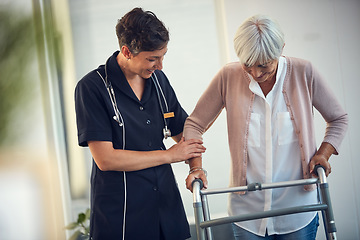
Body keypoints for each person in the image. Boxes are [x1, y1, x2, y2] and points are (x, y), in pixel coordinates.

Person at [184, 15, 348, 240]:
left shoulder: (304, 72)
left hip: (298, 209)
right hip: (247, 215)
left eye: (264, 65)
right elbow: (194, 124)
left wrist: (323, 154)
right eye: (248, 65)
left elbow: (338, 118)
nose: (256, 74)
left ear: (281, 49)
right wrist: (196, 169)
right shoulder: (228, 76)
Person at [74, 7, 206, 240]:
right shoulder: (92, 88)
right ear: (127, 51)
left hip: (166, 208)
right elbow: (106, 159)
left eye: (163, 56)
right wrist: (169, 155)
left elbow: (187, 132)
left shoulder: (158, 80)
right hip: (122, 216)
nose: (160, 66)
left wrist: (196, 168)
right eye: (152, 59)